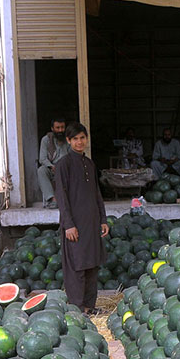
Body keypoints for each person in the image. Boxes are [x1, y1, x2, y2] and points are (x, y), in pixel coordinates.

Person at [54, 122, 109, 315]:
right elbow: (61, 197)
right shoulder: (63, 165)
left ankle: (89, 306)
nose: (79, 142)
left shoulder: (90, 164)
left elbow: (97, 194)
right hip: (74, 224)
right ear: (68, 141)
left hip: (92, 223)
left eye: (82, 138)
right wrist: (68, 224)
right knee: (76, 266)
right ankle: (77, 309)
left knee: (92, 265)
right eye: (75, 138)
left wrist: (103, 219)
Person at [37, 118, 71, 208]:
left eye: (62, 127)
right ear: (52, 129)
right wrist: (52, 167)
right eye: (58, 128)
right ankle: (52, 199)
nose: (60, 130)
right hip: (52, 168)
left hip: (66, 169)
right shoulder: (46, 140)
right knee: (41, 171)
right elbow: (42, 159)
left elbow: (72, 157)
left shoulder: (69, 140)